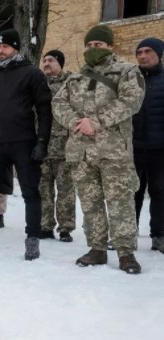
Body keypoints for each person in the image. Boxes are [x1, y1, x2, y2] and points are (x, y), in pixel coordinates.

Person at [53, 25, 145, 274]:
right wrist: (76, 122)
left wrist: (96, 121)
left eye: (99, 45)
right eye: (90, 45)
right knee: (90, 203)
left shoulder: (126, 71)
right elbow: (58, 103)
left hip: (113, 152)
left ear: (110, 46)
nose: (93, 49)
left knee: (120, 202)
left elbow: (131, 101)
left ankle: (126, 253)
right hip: (81, 153)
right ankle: (97, 248)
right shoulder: (75, 77)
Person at [0, 29, 52, 261]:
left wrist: (42, 141)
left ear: (15, 48)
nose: (0, 51)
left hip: (23, 143)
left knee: (30, 192)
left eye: (5, 46)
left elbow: (45, 110)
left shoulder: (32, 74)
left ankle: (32, 240)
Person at [39, 49, 76, 242]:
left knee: (66, 190)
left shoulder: (71, 84)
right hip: (42, 148)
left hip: (65, 148)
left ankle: (65, 228)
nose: (46, 63)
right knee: (43, 190)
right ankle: (45, 226)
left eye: (50, 60)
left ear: (60, 63)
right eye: (44, 60)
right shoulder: (39, 85)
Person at [132, 38, 164, 255]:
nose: (143, 56)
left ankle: (159, 235)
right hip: (132, 148)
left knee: (160, 192)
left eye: (148, 51)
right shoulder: (130, 80)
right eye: (139, 52)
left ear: (159, 54)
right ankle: (127, 234)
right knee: (131, 193)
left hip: (159, 149)